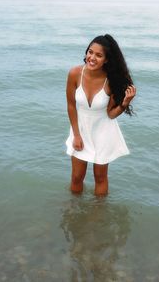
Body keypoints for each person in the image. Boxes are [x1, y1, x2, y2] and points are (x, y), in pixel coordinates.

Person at [66, 34, 136, 196]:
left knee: (100, 177)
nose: (92, 57)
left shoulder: (111, 80)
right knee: (77, 177)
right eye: (90, 52)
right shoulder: (75, 73)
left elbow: (111, 114)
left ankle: (99, 215)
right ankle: (74, 213)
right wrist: (76, 135)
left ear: (107, 59)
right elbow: (71, 105)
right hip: (81, 130)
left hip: (103, 131)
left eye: (98, 55)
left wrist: (124, 104)